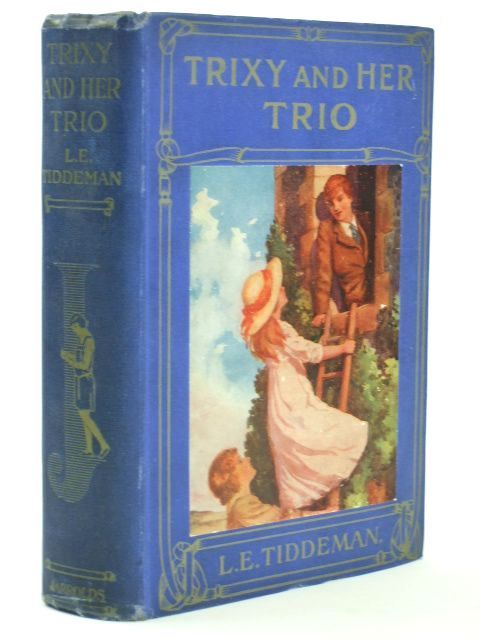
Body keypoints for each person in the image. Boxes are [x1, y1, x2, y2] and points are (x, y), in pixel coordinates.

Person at [241, 257, 367, 513]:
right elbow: (310, 353)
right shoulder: (279, 330)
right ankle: (327, 504)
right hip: (292, 400)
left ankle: (302, 507)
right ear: (274, 301)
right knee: (336, 431)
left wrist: (322, 344)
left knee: (299, 450)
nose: (283, 289)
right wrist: (342, 348)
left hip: (282, 401)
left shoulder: (273, 332)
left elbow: (302, 350)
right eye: (278, 289)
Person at [312, 174, 370, 327]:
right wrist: (321, 311)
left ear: (350, 197)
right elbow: (324, 273)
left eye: (340, 199)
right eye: (330, 204)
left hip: (375, 302)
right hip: (352, 310)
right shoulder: (327, 230)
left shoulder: (366, 221)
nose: (336, 208)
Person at [60, 314, 110, 458]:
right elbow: (79, 359)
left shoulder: (88, 341)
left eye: (75, 327)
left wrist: (68, 360)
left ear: (81, 326)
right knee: (84, 416)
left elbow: (84, 365)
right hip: (80, 381)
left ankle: (103, 444)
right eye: (73, 328)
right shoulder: (82, 340)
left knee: (84, 415)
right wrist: (69, 356)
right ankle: (89, 448)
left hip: (85, 381)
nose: (74, 331)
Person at [208, 448, 282, 529]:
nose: (248, 459)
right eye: (240, 461)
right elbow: (283, 518)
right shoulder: (242, 507)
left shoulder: (241, 504)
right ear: (230, 477)